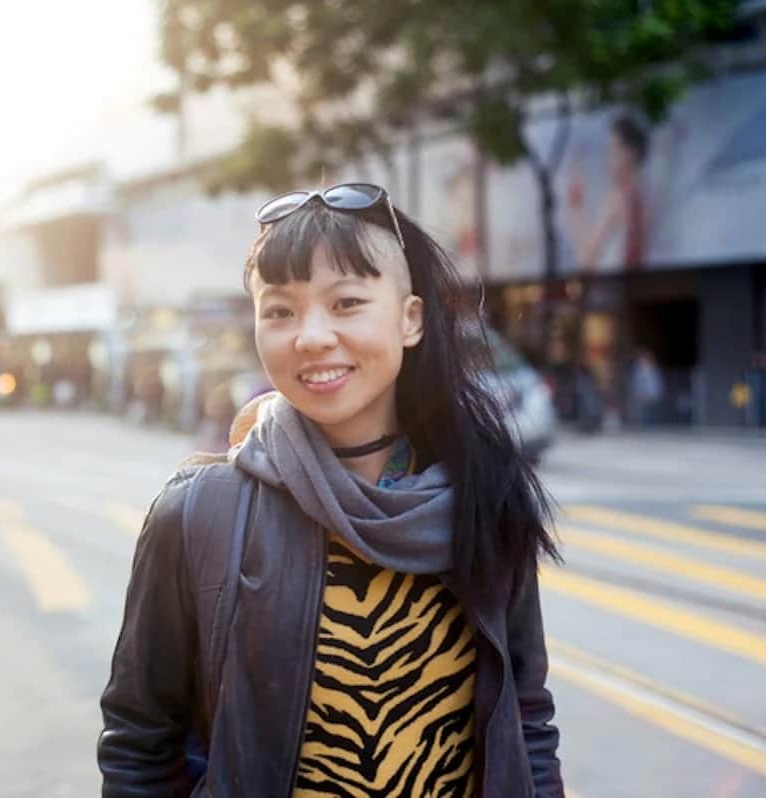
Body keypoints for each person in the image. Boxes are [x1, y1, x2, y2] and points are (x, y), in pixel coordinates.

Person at [98, 183, 564, 796]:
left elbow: (526, 722)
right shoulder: (195, 512)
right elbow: (139, 743)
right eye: (280, 311)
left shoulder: (485, 498)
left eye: (346, 303)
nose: (311, 336)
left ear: (411, 319)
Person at [628, 347, 664, 427]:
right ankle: (641, 425)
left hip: (651, 396)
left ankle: (652, 425)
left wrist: (651, 394)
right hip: (640, 396)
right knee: (642, 414)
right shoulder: (637, 371)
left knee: (651, 414)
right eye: (641, 359)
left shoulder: (653, 370)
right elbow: (635, 384)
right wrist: (638, 393)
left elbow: (655, 384)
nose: (642, 361)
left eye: (644, 359)